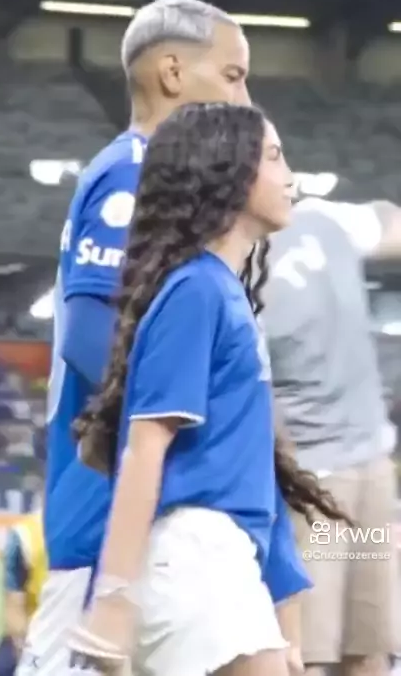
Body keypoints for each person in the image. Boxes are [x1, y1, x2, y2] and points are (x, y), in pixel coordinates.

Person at [67, 102, 349, 676]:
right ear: (229, 172)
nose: (290, 174)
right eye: (274, 157)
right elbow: (145, 448)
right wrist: (113, 599)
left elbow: (259, 472)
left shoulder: (223, 293)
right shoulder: (195, 291)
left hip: (222, 563)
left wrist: (285, 613)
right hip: (196, 560)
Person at [17, 0, 253, 676]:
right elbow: (90, 334)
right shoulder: (132, 170)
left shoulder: (158, 176)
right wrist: (178, 423)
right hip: (105, 502)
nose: (244, 99)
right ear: (172, 72)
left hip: (142, 503)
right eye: (233, 76)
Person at [262, 194, 401, 676]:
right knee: (310, 651)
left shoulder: (322, 218)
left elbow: (390, 224)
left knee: (370, 641)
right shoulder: (231, 261)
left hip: (370, 471)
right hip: (318, 485)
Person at [0, 510, 47, 676]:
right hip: (37, 633)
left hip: (85, 635)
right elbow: (14, 611)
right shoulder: (25, 535)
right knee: (4, 666)